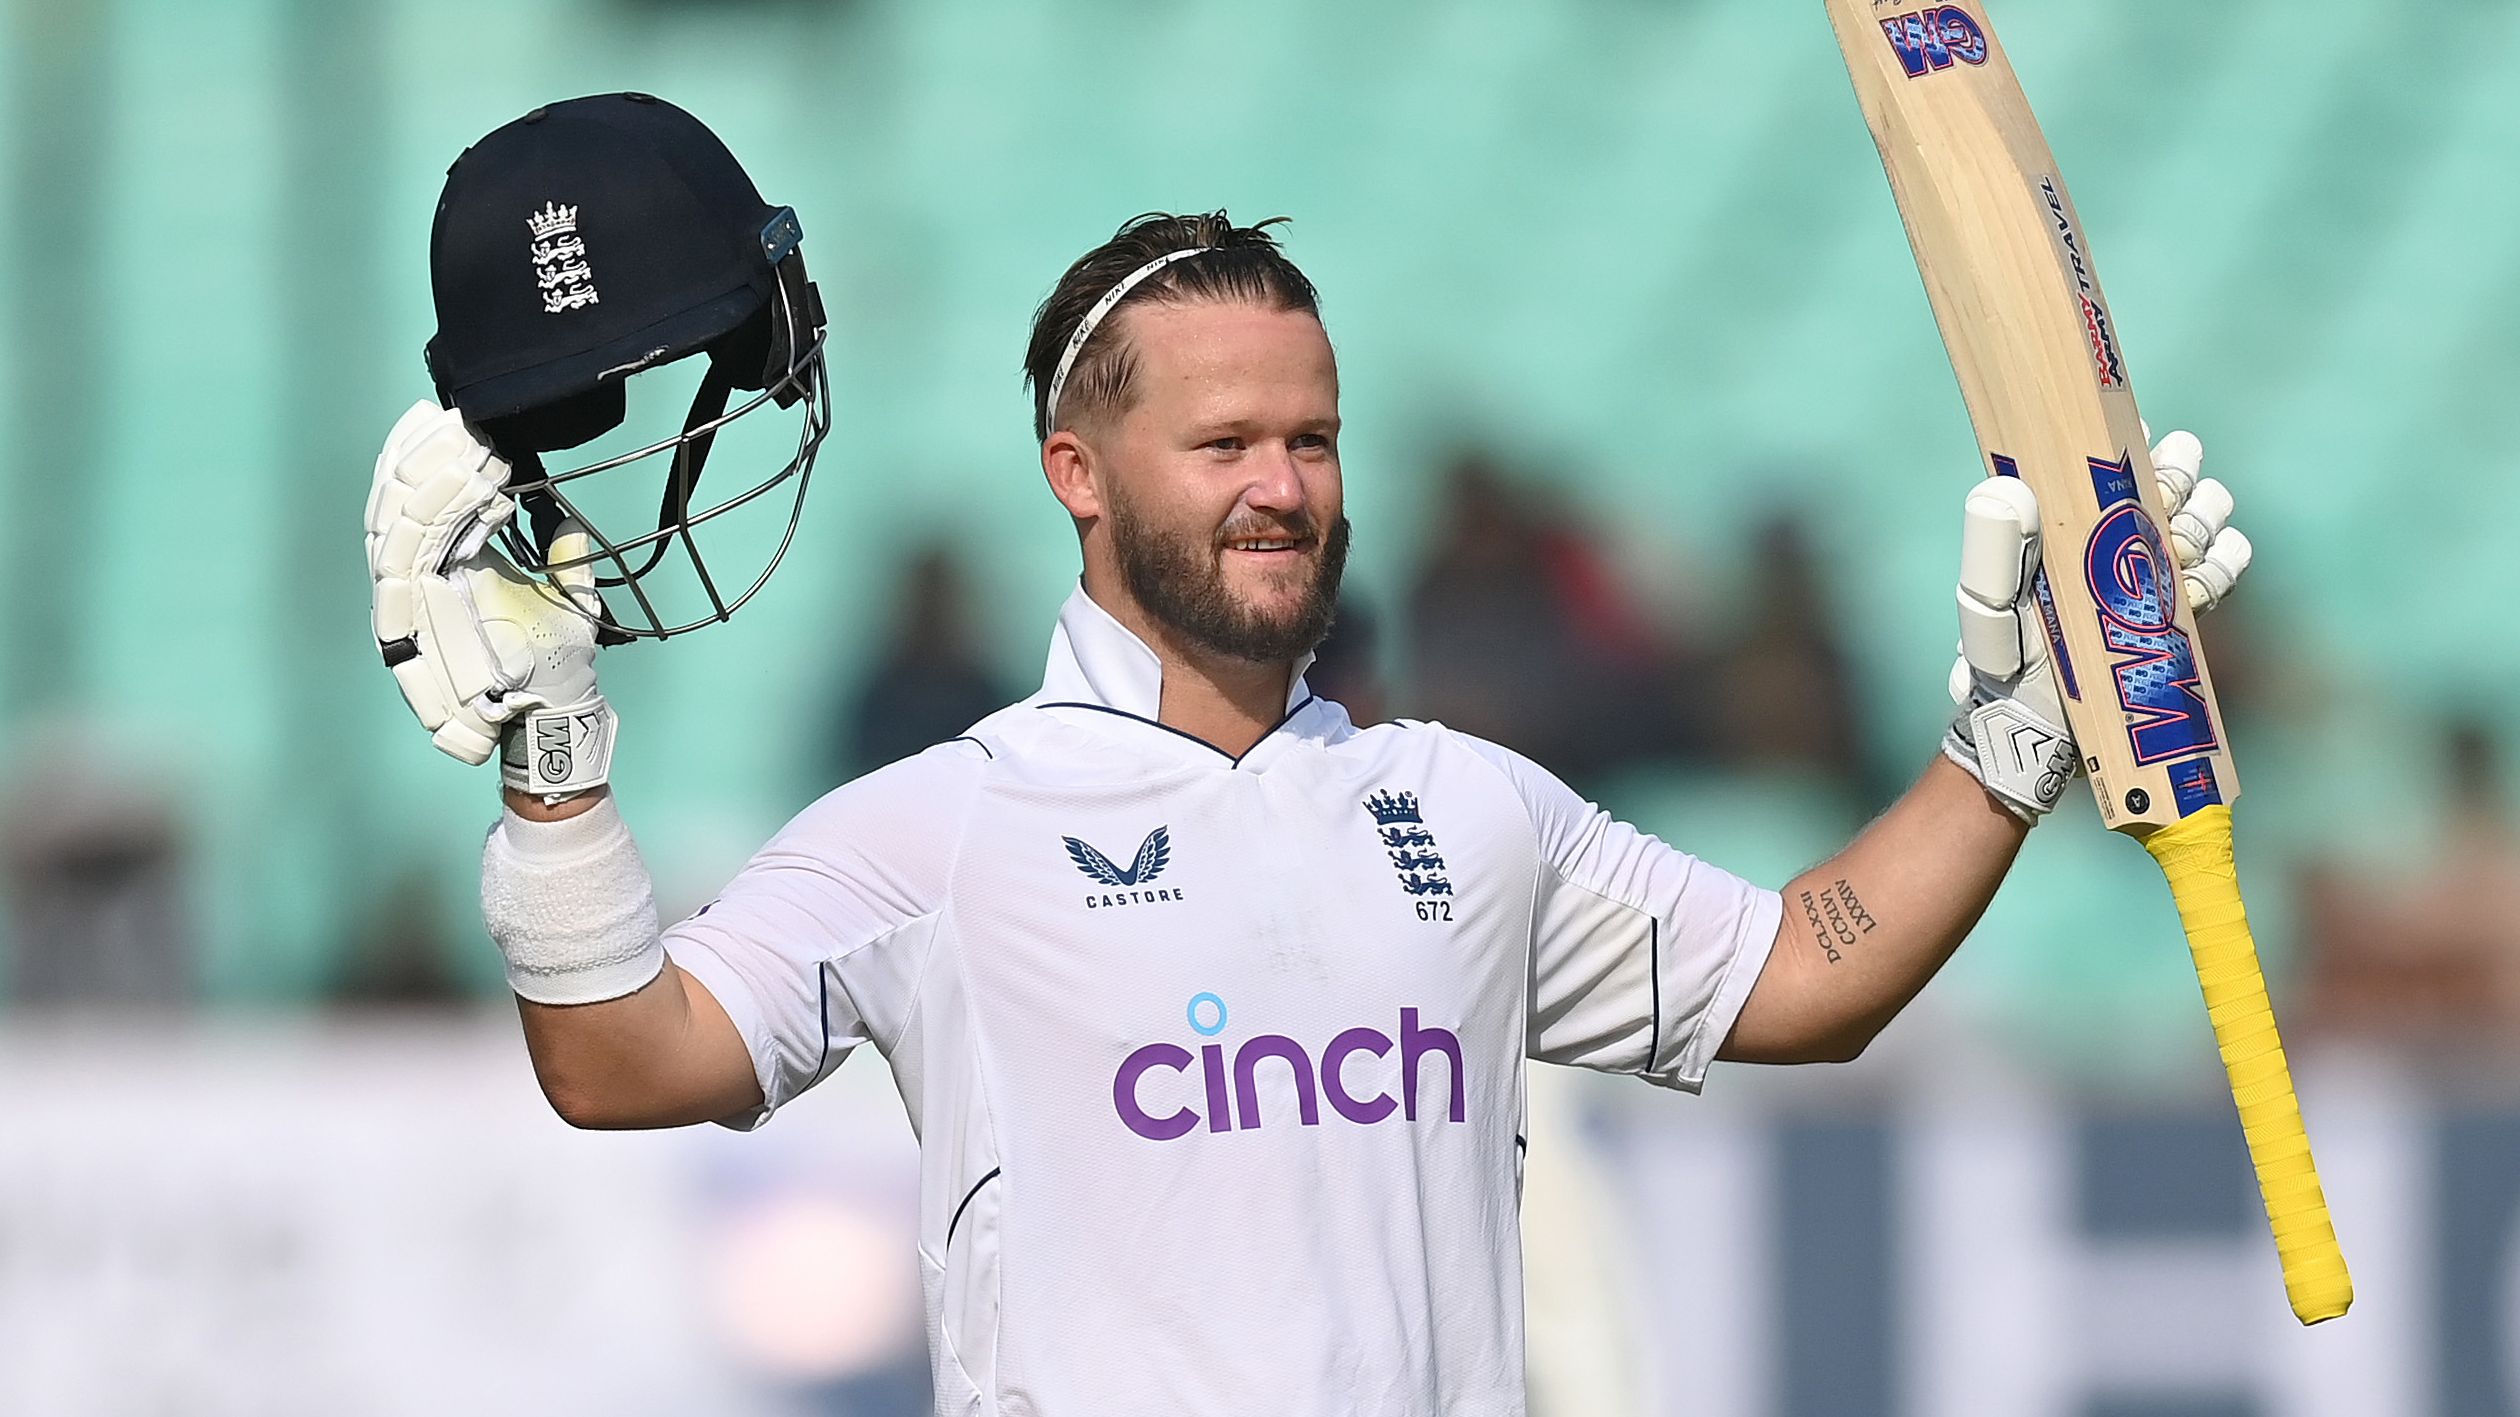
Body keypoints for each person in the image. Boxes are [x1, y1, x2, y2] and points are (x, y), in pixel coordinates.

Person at [369, 194, 2254, 1412]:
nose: (1283, 486)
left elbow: (1807, 977)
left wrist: (2012, 746)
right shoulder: (938, 828)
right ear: (1078, 473)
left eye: (1313, 437)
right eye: (1224, 444)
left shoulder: (1469, 805)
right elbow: (619, 1063)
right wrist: (558, 779)